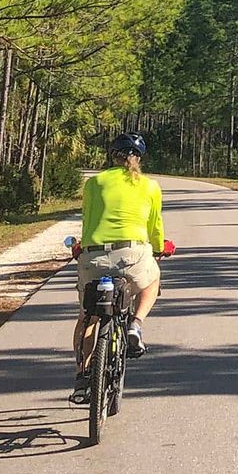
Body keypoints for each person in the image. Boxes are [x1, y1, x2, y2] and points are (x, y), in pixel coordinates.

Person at [69, 132, 166, 404]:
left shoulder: (94, 183)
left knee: (87, 316)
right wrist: (159, 248)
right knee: (151, 278)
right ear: (139, 159)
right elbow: (155, 227)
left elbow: (88, 221)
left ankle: (82, 376)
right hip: (132, 254)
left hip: (93, 257)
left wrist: (84, 246)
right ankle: (135, 325)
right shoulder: (150, 186)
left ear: (112, 156)